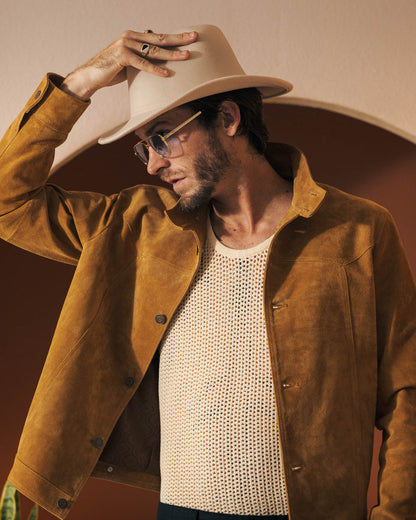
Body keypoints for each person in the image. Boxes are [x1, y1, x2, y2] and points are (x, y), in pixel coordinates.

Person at [0, 24, 415, 520]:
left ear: (228, 118)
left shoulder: (358, 231)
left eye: (162, 138)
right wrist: (82, 82)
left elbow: (405, 391)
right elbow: (8, 202)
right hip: (180, 511)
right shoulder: (138, 228)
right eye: (143, 147)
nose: (152, 164)